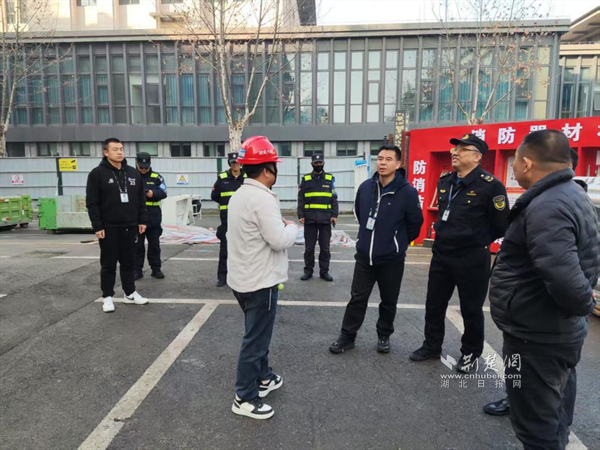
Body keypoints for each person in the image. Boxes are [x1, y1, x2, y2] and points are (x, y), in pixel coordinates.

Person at [489, 129, 599, 450]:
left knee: (537, 426)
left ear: (527, 163)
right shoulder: (571, 193)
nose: (513, 168)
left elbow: (564, 278)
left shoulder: (547, 206)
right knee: (555, 411)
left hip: (539, 335)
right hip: (551, 329)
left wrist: (582, 304)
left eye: (515, 162)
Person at [410, 133, 509, 372]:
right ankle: (432, 346)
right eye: (455, 149)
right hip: (442, 255)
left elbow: (501, 224)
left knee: (471, 309)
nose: (455, 153)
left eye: (462, 149)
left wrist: (476, 240)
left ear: (477, 157)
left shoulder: (491, 185)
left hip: (472, 257)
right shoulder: (446, 181)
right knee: (434, 304)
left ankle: (470, 354)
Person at [227, 136, 297, 420]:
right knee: (255, 340)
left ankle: (264, 376)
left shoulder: (239, 195)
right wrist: (292, 227)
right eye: (275, 166)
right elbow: (279, 240)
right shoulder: (262, 198)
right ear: (268, 170)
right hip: (260, 281)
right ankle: (244, 397)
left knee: (257, 332)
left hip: (242, 278)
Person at [329, 145, 423, 354]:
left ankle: (384, 335)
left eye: (388, 159)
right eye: (380, 158)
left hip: (391, 259)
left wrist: (397, 243)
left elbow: (415, 224)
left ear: (398, 164)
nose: (382, 163)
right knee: (357, 299)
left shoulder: (407, 192)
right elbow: (360, 213)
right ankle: (347, 336)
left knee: (388, 300)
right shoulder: (366, 187)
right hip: (364, 257)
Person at [86, 138, 149, 313]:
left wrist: (142, 220)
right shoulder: (97, 174)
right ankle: (107, 296)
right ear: (106, 152)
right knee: (109, 263)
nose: (120, 152)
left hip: (131, 225)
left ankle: (130, 293)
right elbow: (92, 203)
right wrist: (97, 226)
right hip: (109, 227)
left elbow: (141, 199)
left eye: (121, 149)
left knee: (129, 261)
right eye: (115, 149)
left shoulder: (133, 173)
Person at [298, 153, 339, 282]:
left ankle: (324, 272)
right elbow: (301, 198)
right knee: (309, 248)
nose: (318, 165)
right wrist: (301, 214)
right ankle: (308, 271)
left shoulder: (329, 179)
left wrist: (334, 215)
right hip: (310, 219)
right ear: (312, 164)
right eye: (316, 163)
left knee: (325, 248)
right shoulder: (306, 179)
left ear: (323, 163)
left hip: (325, 219)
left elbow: (334, 198)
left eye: (320, 163)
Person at [211, 152, 245, 287]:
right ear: (229, 164)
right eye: (232, 163)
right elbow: (214, 195)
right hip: (227, 219)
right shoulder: (222, 178)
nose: (235, 164)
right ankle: (222, 277)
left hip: (244, 219)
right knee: (225, 249)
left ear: (240, 163)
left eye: (237, 162)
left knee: (244, 250)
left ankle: (241, 277)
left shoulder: (247, 178)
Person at [134, 152, 167, 281]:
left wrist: (154, 193)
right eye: (141, 167)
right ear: (136, 163)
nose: (143, 169)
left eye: (146, 167)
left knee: (154, 245)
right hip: (136, 216)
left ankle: (156, 269)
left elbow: (164, 192)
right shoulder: (131, 176)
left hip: (153, 215)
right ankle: (137, 270)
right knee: (137, 246)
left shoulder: (157, 177)